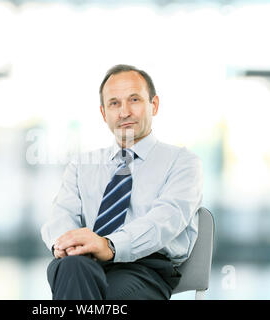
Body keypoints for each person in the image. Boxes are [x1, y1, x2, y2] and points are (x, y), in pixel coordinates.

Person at [40, 64, 203, 300]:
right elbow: (60, 216)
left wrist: (109, 245)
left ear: (153, 105)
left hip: (144, 270)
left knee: (106, 293)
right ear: (104, 113)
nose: (124, 112)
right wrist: (67, 243)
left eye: (134, 100)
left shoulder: (182, 162)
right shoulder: (82, 166)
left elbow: (165, 220)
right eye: (114, 103)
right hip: (82, 263)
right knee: (72, 268)